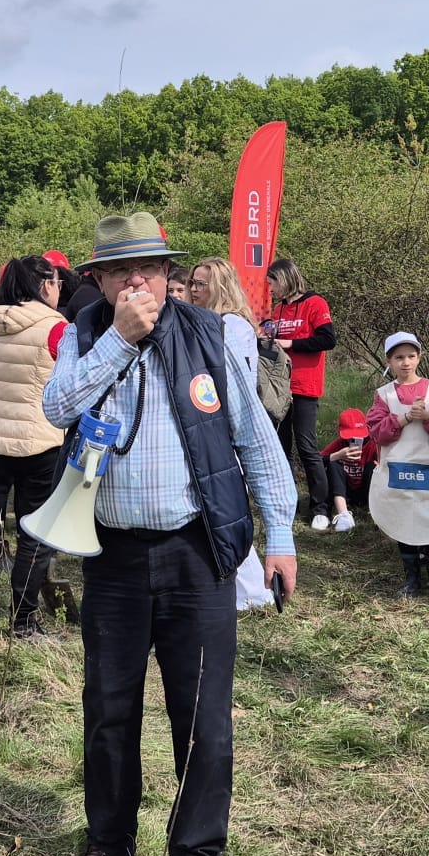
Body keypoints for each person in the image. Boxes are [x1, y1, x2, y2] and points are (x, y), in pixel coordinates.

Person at [44, 213, 297, 856]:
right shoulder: (85, 334)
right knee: (108, 707)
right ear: (98, 280)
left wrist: (280, 534)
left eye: (151, 268)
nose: (139, 282)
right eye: (122, 271)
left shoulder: (210, 335)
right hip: (113, 557)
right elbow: (57, 408)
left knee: (203, 715)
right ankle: (108, 844)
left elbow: (255, 437)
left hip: (197, 553)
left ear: (167, 273)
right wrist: (120, 340)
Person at [0, 254, 69, 635]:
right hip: (40, 437)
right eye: (58, 283)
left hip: (0, 432)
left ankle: (12, 570)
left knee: (7, 500)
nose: (60, 290)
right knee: (37, 533)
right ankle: (24, 619)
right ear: (45, 285)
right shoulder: (54, 326)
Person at [189, 256, 276, 610]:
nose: (194, 289)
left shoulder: (232, 326)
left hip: (224, 428)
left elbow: (232, 384)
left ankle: (253, 592)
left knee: (224, 511)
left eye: (202, 284)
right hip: (209, 426)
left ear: (221, 287)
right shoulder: (207, 322)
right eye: (192, 283)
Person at [366, 333, 429, 600]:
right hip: (397, 469)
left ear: (419, 357)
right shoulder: (384, 395)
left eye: (411, 356)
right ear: (389, 361)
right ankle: (412, 580)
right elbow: (376, 431)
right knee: (403, 518)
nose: (406, 362)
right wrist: (405, 418)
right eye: (399, 357)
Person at [264, 257, 338, 530]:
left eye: (272, 283)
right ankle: (287, 503)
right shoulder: (278, 309)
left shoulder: (315, 303)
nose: (270, 289)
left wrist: (290, 343)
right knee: (280, 447)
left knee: (306, 446)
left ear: (284, 279)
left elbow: (328, 339)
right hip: (279, 389)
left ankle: (320, 508)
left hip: (305, 386)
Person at [322, 409, 372, 537]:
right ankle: (343, 514)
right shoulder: (340, 445)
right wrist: (337, 455)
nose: (354, 439)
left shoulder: (372, 445)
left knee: (373, 466)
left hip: (366, 491)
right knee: (333, 465)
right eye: (350, 437)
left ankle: (375, 511)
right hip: (344, 492)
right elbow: (316, 462)